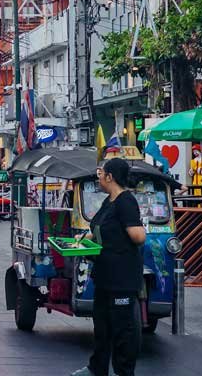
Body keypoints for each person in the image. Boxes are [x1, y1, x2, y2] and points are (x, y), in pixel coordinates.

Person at [71, 158, 146, 376]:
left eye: (101, 173)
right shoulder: (109, 201)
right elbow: (98, 228)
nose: (99, 177)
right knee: (101, 327)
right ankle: (97, 369)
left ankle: (124, 372)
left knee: (123, 330)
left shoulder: (126, 201)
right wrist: (83, 238)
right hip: (104, 275)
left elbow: (138, 236)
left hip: (122, 278)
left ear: (110, 177)